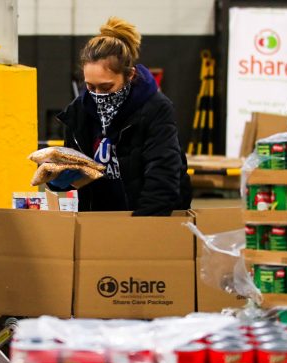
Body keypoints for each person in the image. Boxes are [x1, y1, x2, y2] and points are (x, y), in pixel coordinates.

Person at [51, 17, 192, 215]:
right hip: (98, 220)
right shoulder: (79, 112)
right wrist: (59, 180)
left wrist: (137, 230)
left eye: (107, 87)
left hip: (149, 217)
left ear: (130, 75)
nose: (98, 95)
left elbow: (163, 178)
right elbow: (75, 176)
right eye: (91, 87)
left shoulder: (155, 108)